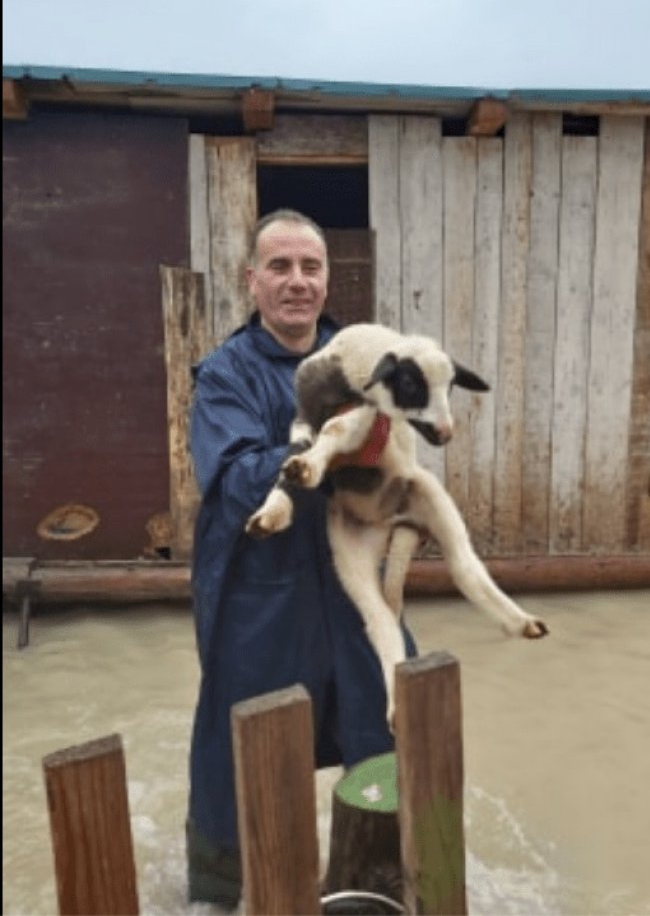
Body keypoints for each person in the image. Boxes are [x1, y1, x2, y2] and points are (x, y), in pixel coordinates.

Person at [185, 208, 417, 907]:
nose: (297, 281)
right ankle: (229, 889)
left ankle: (379, 882)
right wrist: (329, 444)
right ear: (251, 280)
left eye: (310, 267)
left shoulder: (365, 362)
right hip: (262, 594)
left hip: (352, 588)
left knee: (391, 728)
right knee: (247, 755)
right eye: (279, 267)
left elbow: (400, 462)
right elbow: (234, 481)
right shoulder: (224, 375)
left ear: (327, 279)